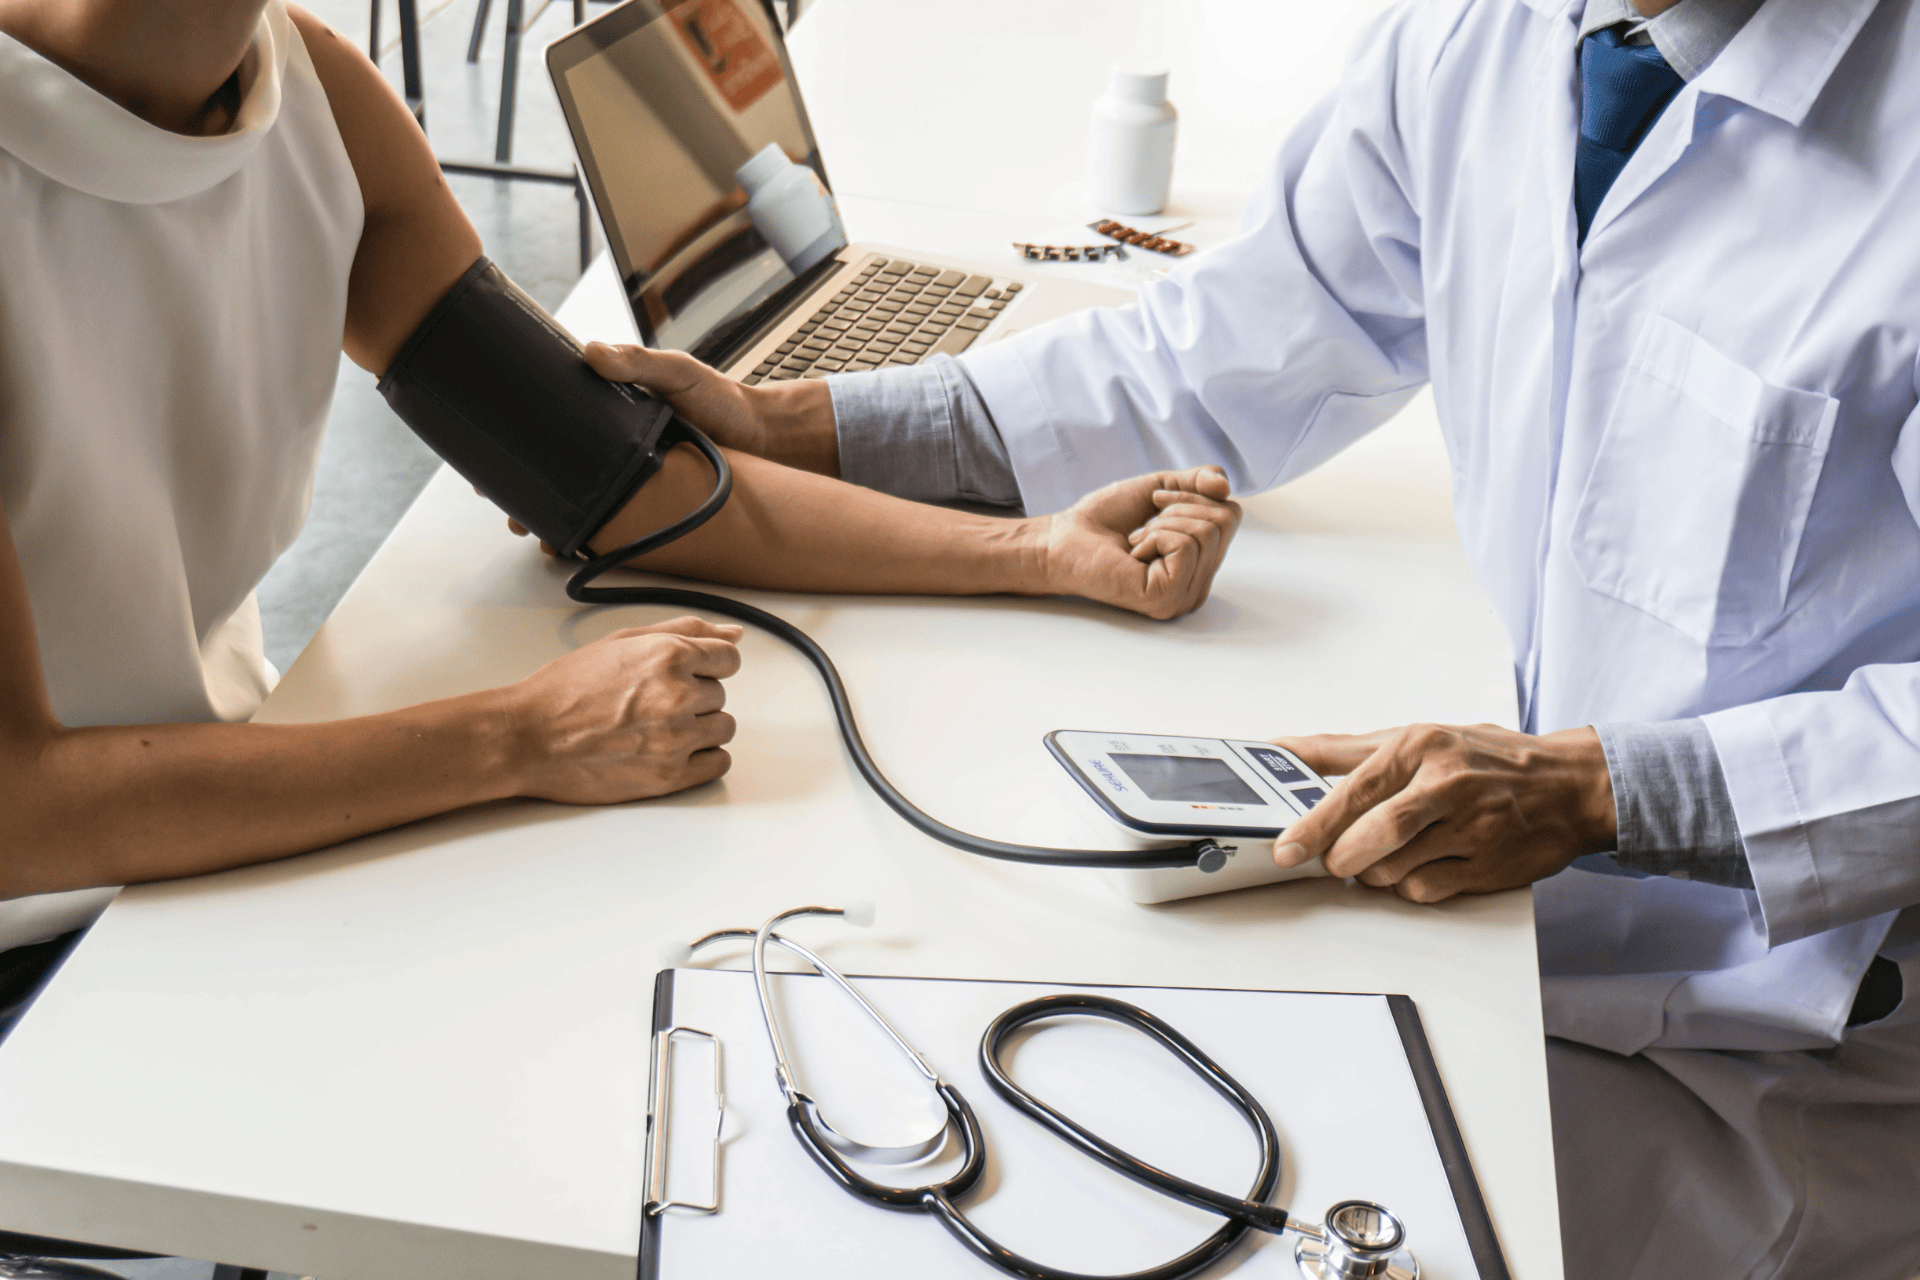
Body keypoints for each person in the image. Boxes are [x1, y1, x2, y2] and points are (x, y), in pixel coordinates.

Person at [594, 0, 1920, 1275]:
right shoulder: (1485, 38)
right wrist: (786, 429)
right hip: (1542, 937)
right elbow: (1220, 353)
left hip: (1790, 1051)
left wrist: (1606, 790)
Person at [0, 0, 1244, 1046]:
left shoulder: (309, 90)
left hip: (217, 826)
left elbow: (620, 483)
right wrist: (519, 735)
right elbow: (21, 812)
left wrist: (1035, 552)